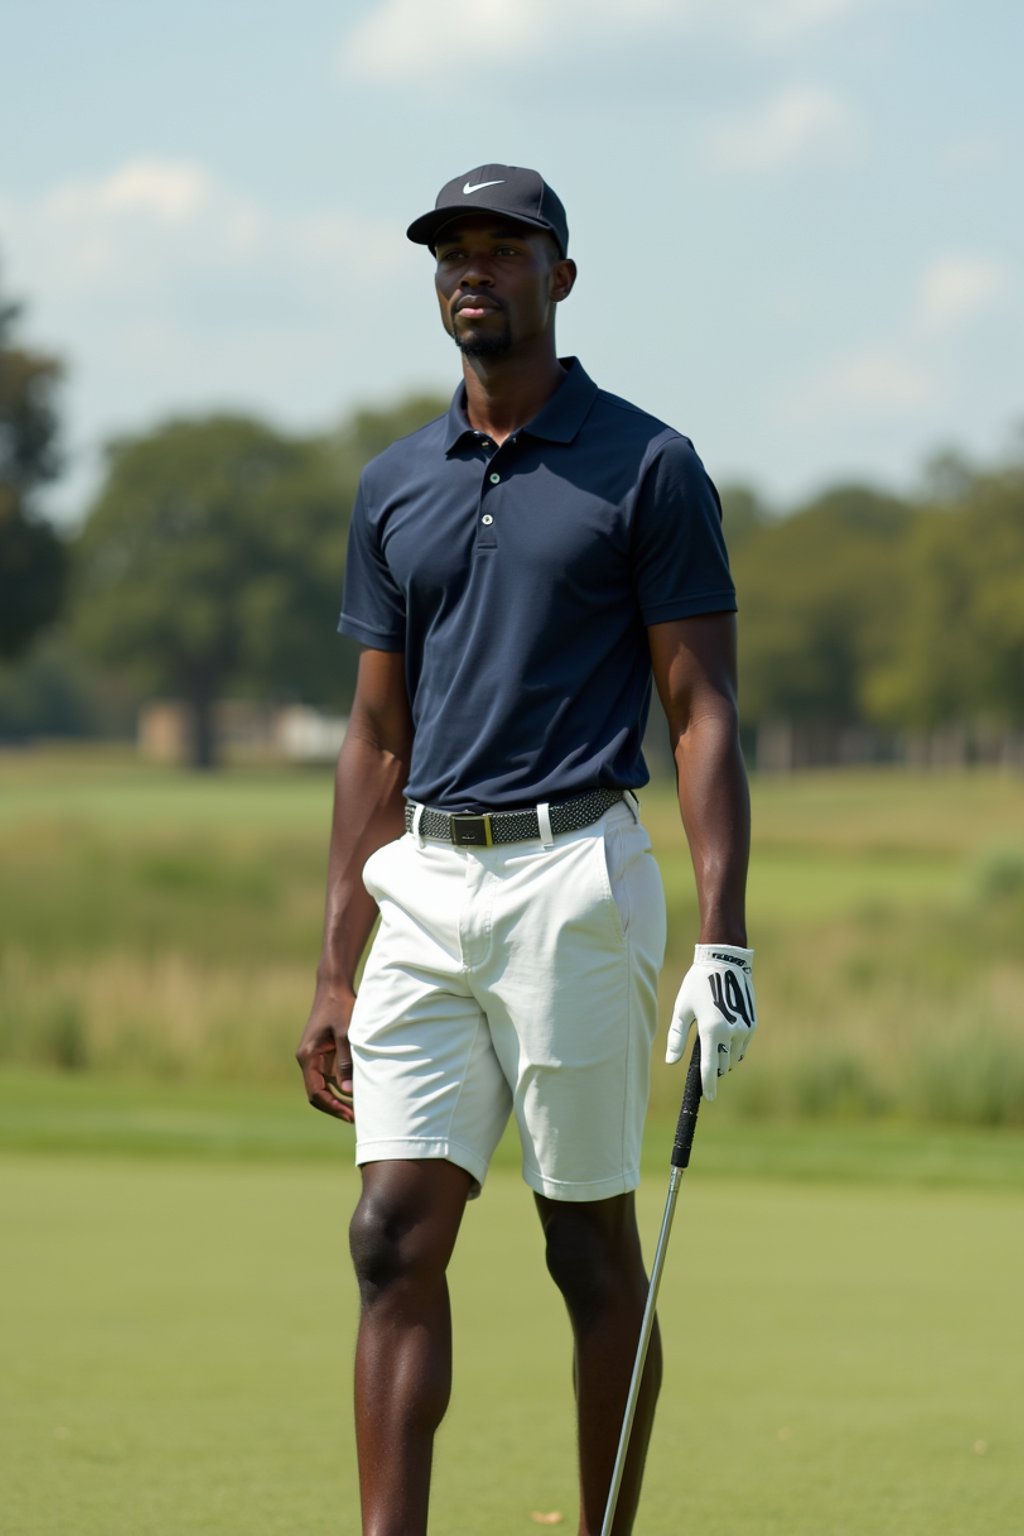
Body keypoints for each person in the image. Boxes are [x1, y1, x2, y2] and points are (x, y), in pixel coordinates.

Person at [296, 163, 756, 1536]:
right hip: (426, 883)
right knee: (389, 1237)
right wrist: (335, 965)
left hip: (575, 874)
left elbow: (700, 712)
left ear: (562, 277)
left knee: (584, 1248)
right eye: (453, 251)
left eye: (505, 249)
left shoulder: (649, 465)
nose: (473, 270)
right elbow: (374, 736)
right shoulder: (395, 484)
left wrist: (724, 938)